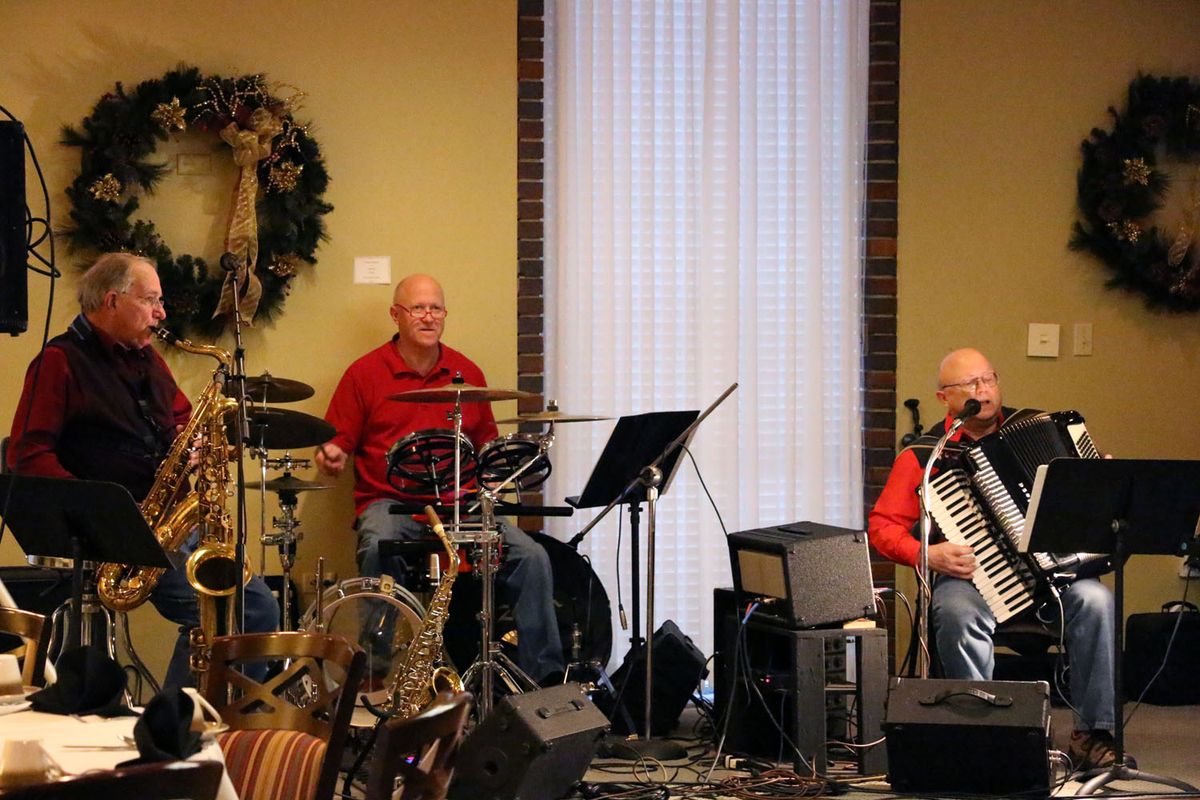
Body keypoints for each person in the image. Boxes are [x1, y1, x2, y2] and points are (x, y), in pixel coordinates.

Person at [7, 252, 279, 688]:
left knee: (259, 606)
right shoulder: (59, 362)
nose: (162, 313)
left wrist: (192, 446)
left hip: (163, 521)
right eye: (151, 300)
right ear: (112, 301)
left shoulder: (146, 358)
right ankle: (179, 724)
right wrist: (99, 512)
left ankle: (200, 719)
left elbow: (178, 418)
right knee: (226, 609)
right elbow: (28, 454)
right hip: (114, 533)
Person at [868, 348, 1121, 772]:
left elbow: (1087, 505)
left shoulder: (1041, 428)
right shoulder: (924, 455)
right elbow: (882, 527)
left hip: (1053, 575)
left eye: (988, 380)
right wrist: (927, 553)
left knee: (1096, 601)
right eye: (969, 384)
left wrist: (1099, 484)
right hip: (973, 577)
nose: (982, 391)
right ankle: (987, 733)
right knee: (953, 611)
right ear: (942, 397)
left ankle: (1092, 733)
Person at [315, 274, 564, 684]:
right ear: (396, 315)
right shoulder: (364, 374)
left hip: (460, 503)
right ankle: (375, 675)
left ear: (444, 315)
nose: (428, 317)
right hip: (390, 502)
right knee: (377, 546)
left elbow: (487, 451)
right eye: (418, 308)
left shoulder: (465, 371)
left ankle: (546, 682)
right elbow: (336, 442)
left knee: (531, 557)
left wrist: (503, 474)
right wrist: (331, 455)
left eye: (436, 308)